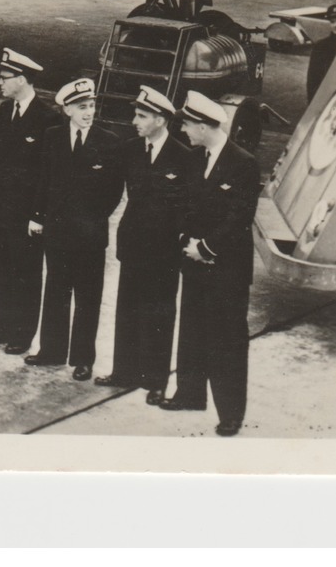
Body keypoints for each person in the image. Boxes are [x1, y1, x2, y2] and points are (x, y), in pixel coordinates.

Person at [162, 90, 262, 437]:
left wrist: (205, 247)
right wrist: (184, 242)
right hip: (193, 260)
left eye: (187, 125)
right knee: (191, 330)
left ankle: (230, 413)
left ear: (204, 126)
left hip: (226, 268)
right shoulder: (194, 158)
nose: (184, 131)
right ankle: (189, 394)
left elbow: (239, 217)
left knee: (227, 340)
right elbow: (185, 207)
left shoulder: (243, 163)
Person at [98, 85, 195, 403]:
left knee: (159, 313)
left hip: (165, 251)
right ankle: (123, 371)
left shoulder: (183, 156)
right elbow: (113, 190)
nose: (134, 121)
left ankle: (154, 379)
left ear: (161, 119)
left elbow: (189, 208)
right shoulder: (130, 149)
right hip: (133, 244)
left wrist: (181, 241)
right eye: (135, 115)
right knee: (127, 309)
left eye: (141, 116)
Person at [25, 78, 125, 380]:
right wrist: (38, 216)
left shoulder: (108, 141)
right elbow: (44, 181)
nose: (88, 112)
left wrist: (91, 218)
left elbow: (114, 190)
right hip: (56, 232)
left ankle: (83, 359)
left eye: (92, 106)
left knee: (87, 298)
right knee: (55, 292)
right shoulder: (53, 137)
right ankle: (51, 351)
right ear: (67, 109)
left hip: (90, 236)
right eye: (82, 107)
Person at [0, 48, 59, 354]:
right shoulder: (4, 111)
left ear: (22, 80)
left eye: (5, 77)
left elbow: (47, 174)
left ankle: (22, 334)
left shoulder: (48, 118)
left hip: (25, 215)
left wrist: (38, 215)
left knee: (24, 274)